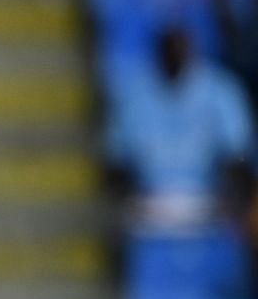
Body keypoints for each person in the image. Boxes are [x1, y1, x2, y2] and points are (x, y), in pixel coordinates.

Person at [107, 24, 254, 228]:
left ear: (192, 50)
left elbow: (238, 155)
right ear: (157, 53)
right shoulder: (133, 95)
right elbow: (117, 160)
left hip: (209, 204)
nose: (174, 55)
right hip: (148, 206)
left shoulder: (221, 91)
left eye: (180, 48)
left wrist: (230, 202)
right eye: (168, 50)